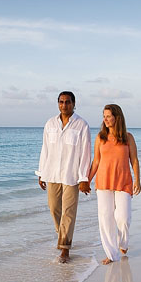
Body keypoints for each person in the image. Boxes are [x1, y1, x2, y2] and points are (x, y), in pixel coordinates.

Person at [36, 91, 92, 263]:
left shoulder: (81, 125)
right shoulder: (50, 124)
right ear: (58, 103)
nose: (64, 105)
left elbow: (85, 153)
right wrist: (41, 173)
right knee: (54, 208)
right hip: (52, 173)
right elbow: (45, 149)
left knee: (68, 211)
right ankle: (62, 237)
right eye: (61, 102)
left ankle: (65, 248)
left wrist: (84, 178)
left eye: (68, 102)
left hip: (71, 175)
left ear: (74, 104)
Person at [88, 104, 141, 264]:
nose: (105, 119)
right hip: (103, 182)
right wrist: (87, 180)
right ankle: (111, 254)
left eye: (108, 116)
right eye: (104, 116)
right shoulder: (100, 137)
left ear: (117, 118)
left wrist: (137, 180)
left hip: (124, 181)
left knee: (123, 218)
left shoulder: (128, 137)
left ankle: (123, 243)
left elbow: (134, 160)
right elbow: (96, 161)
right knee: (105, 218)